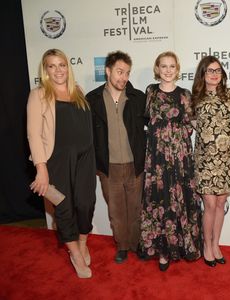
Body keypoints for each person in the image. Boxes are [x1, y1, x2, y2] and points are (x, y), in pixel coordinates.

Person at [27, 49, 96, 278]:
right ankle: (75, 254)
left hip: (86, 158)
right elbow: (34, 135)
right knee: (64, 209)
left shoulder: (78, 91)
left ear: (68, 67)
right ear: (45, 70)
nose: (58, 70)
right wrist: (41, 168)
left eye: (62, 65)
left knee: (86, 204)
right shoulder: (38, 95)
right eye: (52, 66)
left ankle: (83, 242)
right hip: (56, 161)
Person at [139, 51, 202, 271]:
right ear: (157, 69)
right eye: (163, 66)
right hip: (156, 156)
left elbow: (192, 124)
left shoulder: (185, 94)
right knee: (160, 199)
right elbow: (146, 121)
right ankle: (163, 251)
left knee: (180, 198)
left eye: (171, 66)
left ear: (177, 69)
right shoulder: (150, 92)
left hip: (180, 156)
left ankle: (183, 246)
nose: (167, 70)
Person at [85, 51, 146, 264]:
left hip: (135, 165)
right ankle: (122, 246)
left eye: (127, 73)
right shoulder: (92, 99)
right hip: (108, 167)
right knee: (117, 212)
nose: (123, 77)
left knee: (136, 209)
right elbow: (87, 134)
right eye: (119, 72)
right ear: (108, 71)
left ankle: (136, 243)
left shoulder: (138, 98)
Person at [192, 55, 230, 267]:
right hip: (205, 160)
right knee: (209, 204)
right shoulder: (194, 98)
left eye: (218, 70)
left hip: (226, 159)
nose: (214, 74)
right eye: (210, 70)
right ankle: (206, 245)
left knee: (221, 203)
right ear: (203, 74)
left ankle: (216, 244)